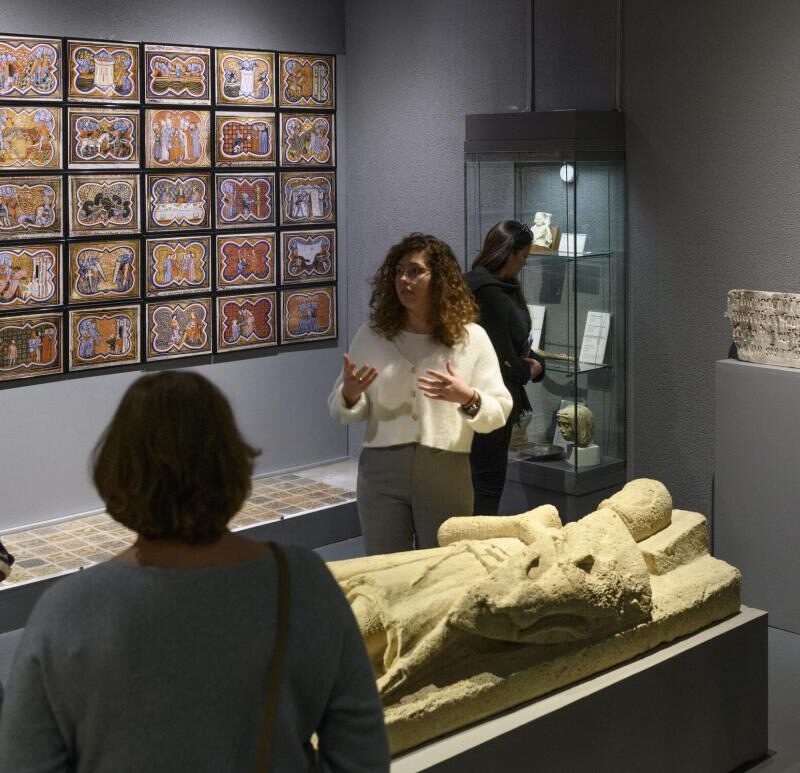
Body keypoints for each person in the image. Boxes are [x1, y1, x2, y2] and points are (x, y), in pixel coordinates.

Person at [0, 371, 390, 772]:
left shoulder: (67, 610)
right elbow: (361, 755)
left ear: (116, 471)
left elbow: (26, 763)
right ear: (232, 460)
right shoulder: (301, 582)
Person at [329, 233, 512, 555]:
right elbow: (340, 408)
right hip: (381, 471)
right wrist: (350, 394)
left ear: (440, 279)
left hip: (446, 471)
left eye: (415, 271)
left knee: (444, 568)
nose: (404, 279)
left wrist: (467, 398)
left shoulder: (471, 338)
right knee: (385, 569)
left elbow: (498, 411)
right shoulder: (372, 336)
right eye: (399, 271)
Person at [465, 220, 545, 514]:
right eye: (523, 256)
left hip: (475, 398)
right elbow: (502, 358)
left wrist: (534, 362)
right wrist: (530, 370)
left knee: (478, 483)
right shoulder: (491, 294)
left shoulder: (480, 285)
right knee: (487, 485)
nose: (524, 264)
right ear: (509, 253)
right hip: (489, 400)